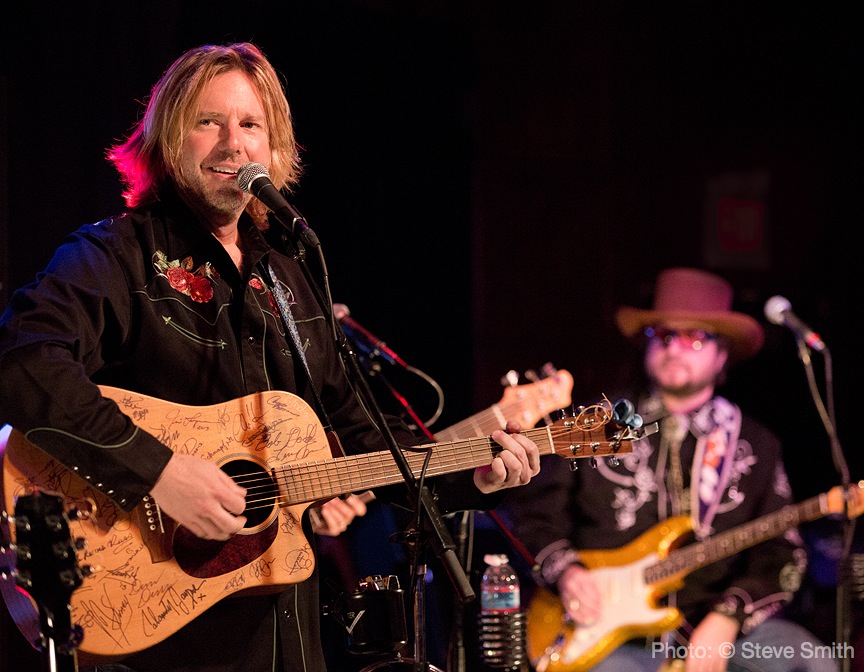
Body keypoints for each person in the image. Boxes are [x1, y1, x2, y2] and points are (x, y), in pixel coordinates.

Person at [0, 42, 540, 672]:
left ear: (275, 150)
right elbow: (23, 365)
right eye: (209, 122)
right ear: (168, 142)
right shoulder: (112, 257)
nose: (234, 144)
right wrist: (161, 473)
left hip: (285, 630)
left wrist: (470, 476)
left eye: (251, 125)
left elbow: (369, 440)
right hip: (153, 625)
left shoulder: (292, 277)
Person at [506, 267, 838, 672]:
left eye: (696, 337)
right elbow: (536, 514)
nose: (676, 348)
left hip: (722, 629)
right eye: (664, 335)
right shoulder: (590, 426)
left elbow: (783, 552)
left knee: (812, 661)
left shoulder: (757, 444)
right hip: (603, 633)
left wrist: (728, 616)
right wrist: (568, 573)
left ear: (722, 355)